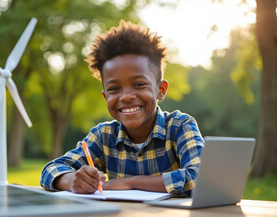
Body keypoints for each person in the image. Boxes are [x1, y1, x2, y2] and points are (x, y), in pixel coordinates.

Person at [40, 20, 204, 197]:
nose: (125, 96)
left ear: (161, 90)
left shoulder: (180, 126)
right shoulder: (103, 136)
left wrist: (130, 183)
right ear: (105, 97)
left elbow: (201, 178)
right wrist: (72, 180)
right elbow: (51, 170)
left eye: (139, 84)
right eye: (114, 89)